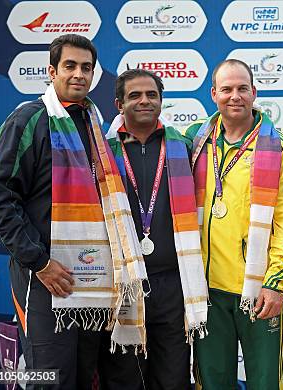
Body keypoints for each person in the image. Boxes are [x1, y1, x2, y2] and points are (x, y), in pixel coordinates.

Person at [0, 34, 140, 389]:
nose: (78, 74)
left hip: (90, 284)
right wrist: (39, 263)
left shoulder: (92, 126)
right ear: (51, 70)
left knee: (85, 379)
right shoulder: (29, 119)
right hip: (43, 279)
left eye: (86, 68)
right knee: (51, 381)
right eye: (70, 66)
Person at [184, 59, 283, 389]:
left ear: (254, 92)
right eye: (226, 89)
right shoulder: (195, 141)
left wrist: (276, 282)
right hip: (207, 293)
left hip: (259, 290)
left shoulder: (279, 146)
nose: (234, 96)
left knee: (265, 383)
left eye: (242, 89)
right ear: (214, 94)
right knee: (212, 382)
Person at [97, 69, 208, 390]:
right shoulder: (103, 152)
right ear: (119, 104)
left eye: (152, 95)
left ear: (161, 101)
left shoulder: (184, 147)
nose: (144, 101)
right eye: (134, 95)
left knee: (173, 379)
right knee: (123, 378)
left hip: (174, 285)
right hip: (124, 285)